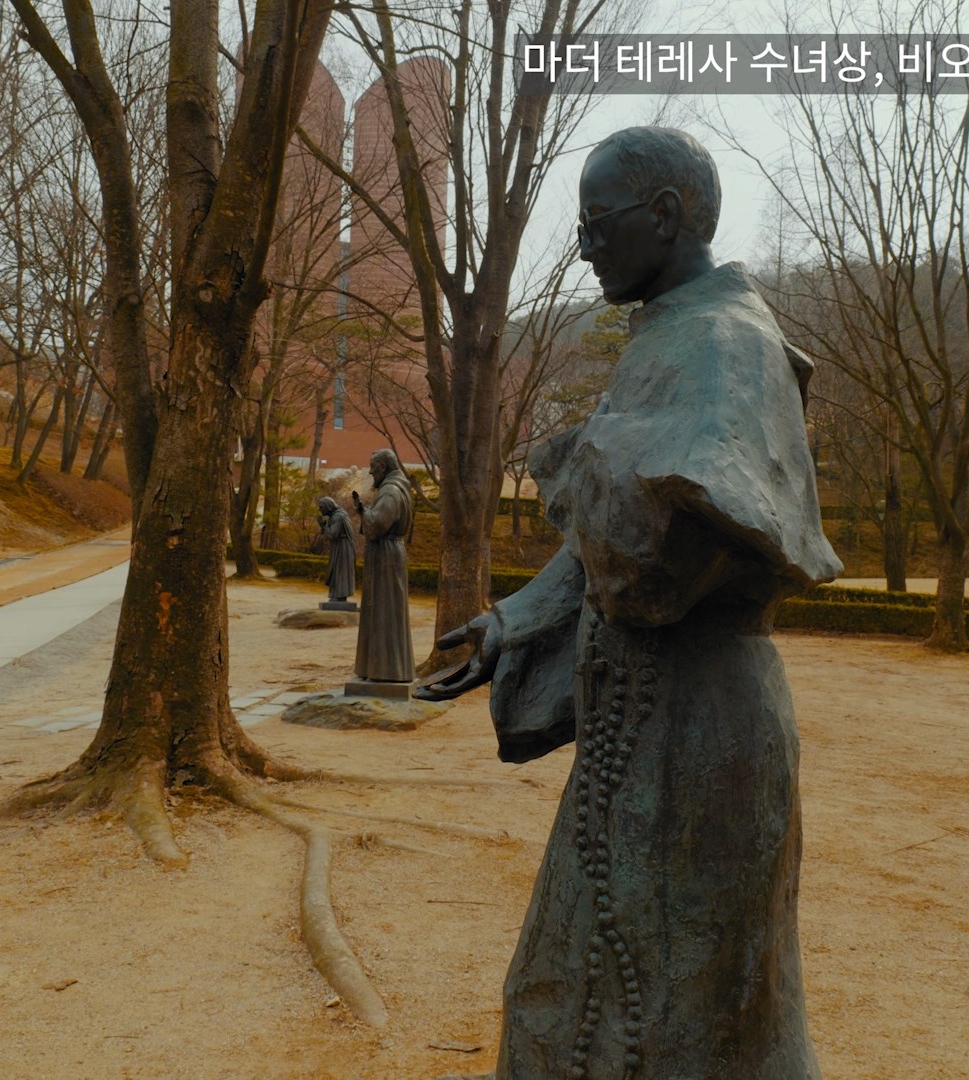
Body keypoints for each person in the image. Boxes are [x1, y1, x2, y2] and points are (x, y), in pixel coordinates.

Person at [419, 127, 839, 1078]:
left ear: (665, 215)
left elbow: (654, 558)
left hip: (699, 728)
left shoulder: (727, 346)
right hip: (651, 724)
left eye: (597, 223)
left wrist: (584, 465)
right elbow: (601, 540)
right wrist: (515, 620)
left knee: (690, 1017)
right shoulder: (671, 335)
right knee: (572, 995)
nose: (585, 248)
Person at [352, 448, 415, 684]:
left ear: (384, 468)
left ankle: (385, 671)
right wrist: (365, 511)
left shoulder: (391, 491)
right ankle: (379, 668)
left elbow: (378, 525)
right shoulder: (395, 488)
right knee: (383, 611)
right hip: (387, 554)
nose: (370, 472)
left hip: (386, 556)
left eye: (373, 468)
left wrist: (363, 511)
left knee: (385, 612)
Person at [316, 495, 356, 605]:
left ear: (328, 506)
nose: (319, 509)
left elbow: (333, 534)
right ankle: (336, 594)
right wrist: (324, 526)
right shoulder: (334, 516)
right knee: (337, 570)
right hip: (338, 546)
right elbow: (329, 535)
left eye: (321, 507)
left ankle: (340, 595)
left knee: (340, 570)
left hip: (343, 548)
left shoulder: (339, 517)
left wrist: (323, 526)